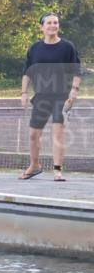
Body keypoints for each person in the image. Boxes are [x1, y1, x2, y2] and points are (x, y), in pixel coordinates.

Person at [19, 13, 83, 182]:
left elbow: (77, 70)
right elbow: (27, 72)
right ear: (42, 27)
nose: (53, 25)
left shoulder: (68, 47)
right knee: (33, 134)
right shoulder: (34, 48)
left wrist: (74, 90)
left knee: (58, 131)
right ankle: (34, 166)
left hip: (62, 96)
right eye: (49, 23)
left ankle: (57, 170)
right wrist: (24, 93)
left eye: (55, 22)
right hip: (41, 97)